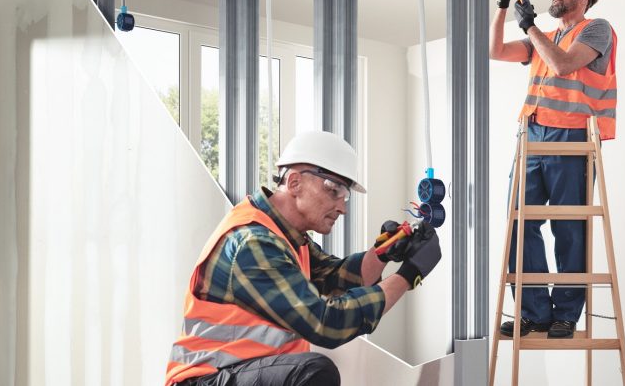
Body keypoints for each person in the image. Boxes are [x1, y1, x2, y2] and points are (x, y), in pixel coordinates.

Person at [165, 131, 441, 385]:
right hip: (205, 380)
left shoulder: (288, 238)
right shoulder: (254, 243)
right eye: (333, 190)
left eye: (345, 195)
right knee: (313, 372)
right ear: (295, 182)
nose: (342, 207)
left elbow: (336, 277)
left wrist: (383, 254)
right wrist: (408, 275)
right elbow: (325, 324)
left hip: (240, 373)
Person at [489, 0, 618, 340]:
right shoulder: (543, 37)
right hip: (531, 136)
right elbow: (494, 50)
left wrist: (528, 26)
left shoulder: (597, 29)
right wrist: (501, 7)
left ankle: (565, 313)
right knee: (519, 223)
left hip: (573, 138)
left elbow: (563, 65)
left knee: (569, 228)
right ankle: (533, 313)